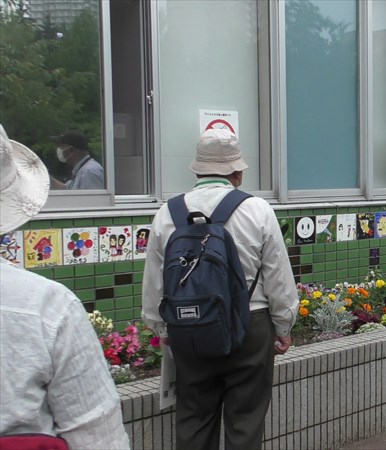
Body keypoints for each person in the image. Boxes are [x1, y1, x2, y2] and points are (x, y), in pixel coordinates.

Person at [141, 128, 299, 450]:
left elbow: (155, 282)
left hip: (189, 326)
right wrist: (283, 326)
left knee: (194, 417)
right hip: (250, 325)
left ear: (197, 169)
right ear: (237, 173)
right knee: (246, 421)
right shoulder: (257, 210)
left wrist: (161, 327)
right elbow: (278, 278)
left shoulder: (166, 214)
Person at [0, 125, 130, 449]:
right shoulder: (47, 306)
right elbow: (99, 438)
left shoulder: (93, 171)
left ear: (71, 150)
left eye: (63, 149)